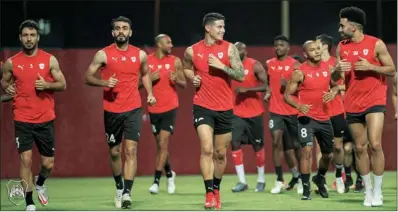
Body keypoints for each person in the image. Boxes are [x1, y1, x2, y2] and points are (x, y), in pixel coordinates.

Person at [84, 16, 156, 209]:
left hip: (133, 108)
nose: (122, 31)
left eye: (125, 28)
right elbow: (87, 77)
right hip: (111, 110)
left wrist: (150, 93)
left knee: (131, 150)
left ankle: (127, 193)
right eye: (118, 28)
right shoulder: (103, 55)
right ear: (113, 33)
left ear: (130, 32)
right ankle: (118, 187)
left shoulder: (139, 55)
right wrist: (104, 83)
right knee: (115, 152)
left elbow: (146, 74)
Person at [1, 20, 67, 211]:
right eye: (25, 35)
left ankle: (40, 182)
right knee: (26, 160)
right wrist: (8, 87)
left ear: (37, 37)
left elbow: (63, 84)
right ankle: (29, 202)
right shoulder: (11, 63)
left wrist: (47, 85)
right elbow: (4, 82)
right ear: (20, 38)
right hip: (22, 118)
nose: (29, 39)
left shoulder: (50, 60)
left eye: (32, 35)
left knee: (48, 163)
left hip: (45, 118)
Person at [334, 6, 396, 206]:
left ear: (353, 27)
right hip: (352, 102)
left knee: (375, 144)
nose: (339, 28)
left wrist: (370, 67)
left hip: (374, 100)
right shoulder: (341, 47)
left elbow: (391, 69)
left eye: (342, 25)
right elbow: (337, 78)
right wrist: (336, 70)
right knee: (360, 148)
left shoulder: (376, 44)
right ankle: (367, 190)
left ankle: (378, 191)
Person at [182, 12, 244, 209]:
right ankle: (208, 193)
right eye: (219, 27)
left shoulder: (230, 49)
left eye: (224, 27)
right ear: (208, 28)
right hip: (202, 106)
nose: (223, 30)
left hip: (225, 108)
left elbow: (241, 75)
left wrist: (222, 67)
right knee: (207, 149)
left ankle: (216, 188)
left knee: (220, 153)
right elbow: (186, 68)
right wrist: (193, 78)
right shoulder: (192, 51)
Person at [284, 40, 341, 200]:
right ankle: (306, 188)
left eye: (318, 49)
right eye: (312, 50)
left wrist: (334, 92)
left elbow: (335, 85)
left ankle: (320, 177)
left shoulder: (327, 69)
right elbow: (287, 95)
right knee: (307, 151)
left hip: (324, 118)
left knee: (328, 155)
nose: (316, 51)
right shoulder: (299, 72)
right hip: (306, 118)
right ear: (305, 54)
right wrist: (299, 105)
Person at [146, 34, 186, 194]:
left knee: (163, 143)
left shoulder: (175, 61)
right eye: (168, 42)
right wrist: (148, 79)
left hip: (170, 107)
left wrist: (177, 79)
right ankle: (170, 174)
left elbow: (184, 83)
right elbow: (137, 84)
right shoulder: (147, 61)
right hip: (154, 107)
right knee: (160, 146)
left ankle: (156, 181)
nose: (171, 44)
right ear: (158, 43)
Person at [230, 42, 270, 193]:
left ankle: (261, 179)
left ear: (245, 51)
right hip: (236, 113)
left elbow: (266, 85)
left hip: (254, 113)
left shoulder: (255, 65)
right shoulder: (230, 67)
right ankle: (242, 181)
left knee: (257, 146)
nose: (237, 51)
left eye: (239, 49)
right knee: (234, 143)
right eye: (235, 49)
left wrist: (248, 90)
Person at [265, 35, 302, 194]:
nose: (278, 48)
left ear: (288, 48)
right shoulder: (269, 64)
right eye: (276, 45)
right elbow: (268, 83)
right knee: (275, 141)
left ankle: (302, 179)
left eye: (281, 45)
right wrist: (268, 92)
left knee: (296, 146)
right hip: (275, 111)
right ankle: (279, 179)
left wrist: (287, 87)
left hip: (293, 110)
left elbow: (303, 88)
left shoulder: (295, 65)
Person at [315, 34, 346, 193]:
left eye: (317, 43)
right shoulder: (313, 64)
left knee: (338, 148)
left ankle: (339, 176)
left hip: (336, 110)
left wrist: (335, 89)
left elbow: (348, 86)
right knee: (320, 149)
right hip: (319, 112)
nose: (314, 46)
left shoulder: (336, 63)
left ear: (325, 46)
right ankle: (322, 179)